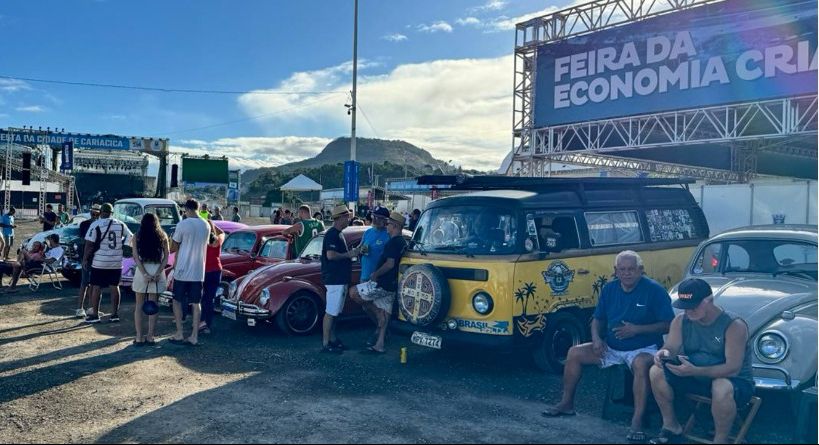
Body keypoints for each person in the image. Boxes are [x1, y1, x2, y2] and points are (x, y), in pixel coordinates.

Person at [543, 251, 674, 444]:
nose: (627, 273)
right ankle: (567, 403)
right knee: (574, 352)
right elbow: (598, 319)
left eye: (631, 269)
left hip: (644, 348)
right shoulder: (609, 289)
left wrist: (636, 330)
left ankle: (637, 419)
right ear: (616, 271)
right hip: (612, 346)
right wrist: (596, 338)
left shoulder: (654, 290)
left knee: (640, 364)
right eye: (622, 269)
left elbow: (668, 324)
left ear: (640, 270)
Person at [648, 278, 754, 445]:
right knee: (656, 371)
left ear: (709, 301)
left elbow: (732, 368)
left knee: (721, 386)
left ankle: (720, 440)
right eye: (685, 306)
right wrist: (663, 353)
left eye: (694, 306)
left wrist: (695, 371)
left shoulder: (734, 325)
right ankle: (671, 427)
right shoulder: (681, 321)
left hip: (734, 381)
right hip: (695, 375)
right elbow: (671, 347)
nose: (688, 311)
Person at [349, 211, 407, 353]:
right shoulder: (402, 242)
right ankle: (380, 344)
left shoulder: (392, 241)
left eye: (388, 223)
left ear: (394, 226)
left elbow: (390, 264)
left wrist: (376, 274)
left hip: (382, 282)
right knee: (385, 311)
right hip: (392, 283)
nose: (386, 226)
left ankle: (377, 315)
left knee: (353, 293)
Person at [83, 203, 133, 323]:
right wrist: (125, 246)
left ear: (101, 212)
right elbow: (131, 235)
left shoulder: (96, 224)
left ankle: (95, 314)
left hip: (99, 262)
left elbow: (89, 244)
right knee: (114, 287)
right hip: (116, 261)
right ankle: (114, 314)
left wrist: (85, 258)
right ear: (112, 213)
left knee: (96, 287)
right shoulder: (120, 224)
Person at [170, 199, 210, 346]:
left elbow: (173, 248)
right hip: (199, 270)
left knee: (177, 300)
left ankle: (179, 333)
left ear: (187, 209)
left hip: (182, 269)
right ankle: (194, 336)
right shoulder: (206, 225)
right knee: (196, 302)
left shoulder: (182, 224)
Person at [319, 205, 359, 354]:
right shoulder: (332, 234)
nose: (348, 219)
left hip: (340, 278)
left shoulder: (339, 234)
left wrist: (353, 253)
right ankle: (325, 343)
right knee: (330, 312)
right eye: (347, 217)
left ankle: (333, 339)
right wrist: (348, 255)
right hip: (334, 279)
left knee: (336, 312)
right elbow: (331, 255)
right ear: (340, 218)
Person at [130, 213, 169, 346]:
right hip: (157, 269)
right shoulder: (162, 236)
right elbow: (166, 257)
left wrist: (145, 273)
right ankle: (151, 336)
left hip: (142, 271)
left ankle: (139, 336)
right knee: (153, 304)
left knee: (139, 305)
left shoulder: (137, 236)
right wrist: (158, 272)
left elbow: (136, 256)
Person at [75, 204, 100, 317]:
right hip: (88, 257)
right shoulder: (84, 224)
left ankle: (90, 307)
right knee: (85, 283)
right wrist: (84, 257)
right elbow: (83, 241)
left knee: (93, 284)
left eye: (96, 213)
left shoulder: (100, 225)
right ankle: (80, 308)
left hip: (97, 257)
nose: (94, 215)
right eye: (93, 213)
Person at [201, 220, 225, 335]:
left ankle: (201, 321)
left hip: (203, 271)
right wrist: (213, 225)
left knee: (202, 298)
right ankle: (207, 324)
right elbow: (223, 232)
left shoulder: (201, 241)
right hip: (216, 270)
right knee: (209, 299)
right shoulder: (219, 240)